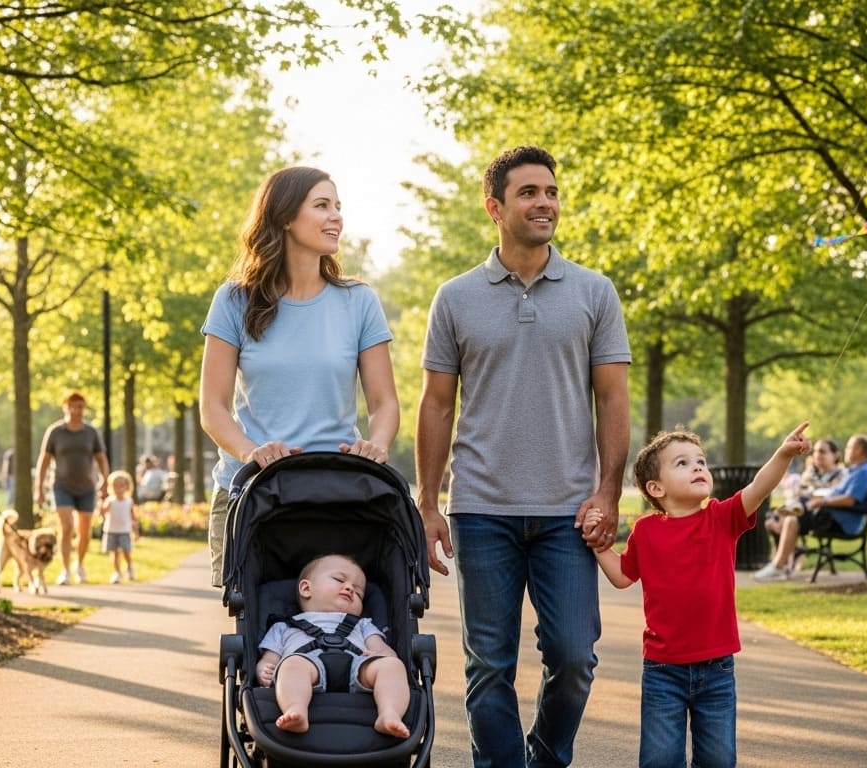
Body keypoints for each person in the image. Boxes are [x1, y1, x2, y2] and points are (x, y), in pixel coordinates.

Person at [415, 145, 631, 768]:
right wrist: (428, 504)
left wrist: (609, 492)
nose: (545, 203)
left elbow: (613, 398)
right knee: (489, 664)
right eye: (529, 193)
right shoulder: (454, 298)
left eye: (551, 192)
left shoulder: (594, 292)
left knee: (573, 656)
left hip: (570, 509)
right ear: (495, 207)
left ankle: (546, 759)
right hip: (481, 506)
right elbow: (435, 405)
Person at [199, 166, 399, 587]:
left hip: (336, 494)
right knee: (255, 631)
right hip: (253, 492)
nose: (336, 217)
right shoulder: (234, 301)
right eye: (322, 205)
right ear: (286, 216)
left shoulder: (358, 301)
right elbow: (213, 408)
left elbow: (384, 403)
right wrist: (252, 451)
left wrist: (377, 445)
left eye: (338, 207)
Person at [581, 424, 808, 768]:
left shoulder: (721, 517)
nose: (699, 467)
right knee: (660, 760)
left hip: (717, 668)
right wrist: (598, 544)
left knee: (718, 760)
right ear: (656, 487)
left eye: (701, 461)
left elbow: (759, 487)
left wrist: (784, 453)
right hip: (662, 670)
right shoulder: (646, 530)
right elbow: (623, 576)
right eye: (683, 463)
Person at [256, 554, 410, 738]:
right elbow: (269, 659)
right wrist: (263, 668)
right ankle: (295, 708)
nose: (350, 588)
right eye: (339, 579)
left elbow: (384, 651)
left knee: (393, 666)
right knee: (291, 666)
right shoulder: (283, 626)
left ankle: (389, 713)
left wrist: (380, 657)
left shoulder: (363, 624)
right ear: (306, 588)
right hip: (308, 665)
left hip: (357, 666)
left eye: (359, 592)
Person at [753, 434, 867, 581]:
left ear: (859, 450)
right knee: (789, 513)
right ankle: (783, 563)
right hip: (831, 515)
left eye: (849, 447)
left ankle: (778, 566)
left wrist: (822, 502)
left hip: (839, 521)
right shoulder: (860, 470)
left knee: (792, 519)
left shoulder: (864, 472)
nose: (847, 450)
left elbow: (850, 500)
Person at [35, 391, 110, 585]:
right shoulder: (55, 431)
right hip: (62, 486)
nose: (77, 410)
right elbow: (44, 460)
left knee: (84, 531)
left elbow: (101, 458)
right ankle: (65, 569)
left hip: (86, 487)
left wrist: (105, 481)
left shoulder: (91, 432)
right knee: (66, 527)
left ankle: (80, 564)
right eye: (73, 406)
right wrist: (39, 488)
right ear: (65, 407)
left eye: (80, 406)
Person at [764, 438, 844, 569]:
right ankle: (789, 555)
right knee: (771, 521)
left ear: (835, 455)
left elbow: (829, 494)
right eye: (816, 451)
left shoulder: (841, 475)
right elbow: (797, 494)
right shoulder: (810, 473)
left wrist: (811, 492)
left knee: (783, 519)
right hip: (801, 509)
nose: (817, 455)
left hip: (819, 515)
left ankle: (781, 562)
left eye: (822, 451)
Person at [99, 470, 139, 583]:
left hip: (124, 531)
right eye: (115, 486)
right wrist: (101, 503)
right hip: (111, 531)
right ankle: (117, 573)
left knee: (126, 552)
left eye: (121, 486)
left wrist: (135, 531)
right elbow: (102, 512)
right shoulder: (110, 501)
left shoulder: (129, 501)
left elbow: (133, 517)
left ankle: (130, 567)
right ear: (111, 487)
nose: (118, 488)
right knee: (115, 553)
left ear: (127, 487)